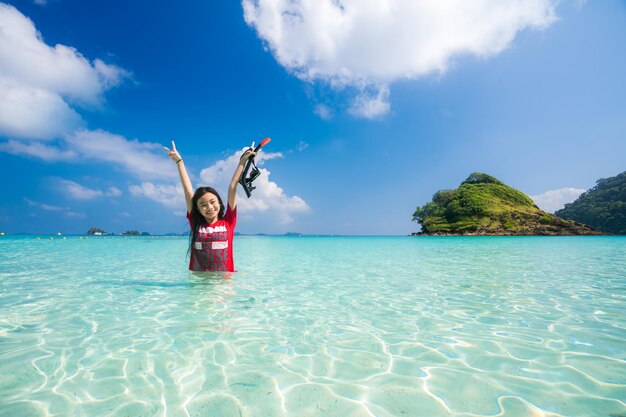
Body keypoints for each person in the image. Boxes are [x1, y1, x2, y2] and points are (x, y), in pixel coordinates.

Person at [164, 141, 254, 272]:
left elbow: (233, 186)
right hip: (198, 282)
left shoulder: (228, 221)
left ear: (219, 203)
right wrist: (179, 162)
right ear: (198, 209)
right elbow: (188, 192)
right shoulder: (195, 223)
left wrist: (242, 161)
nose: (210, 207)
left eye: (212, 202)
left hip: (224, 283)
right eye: (203, 205)